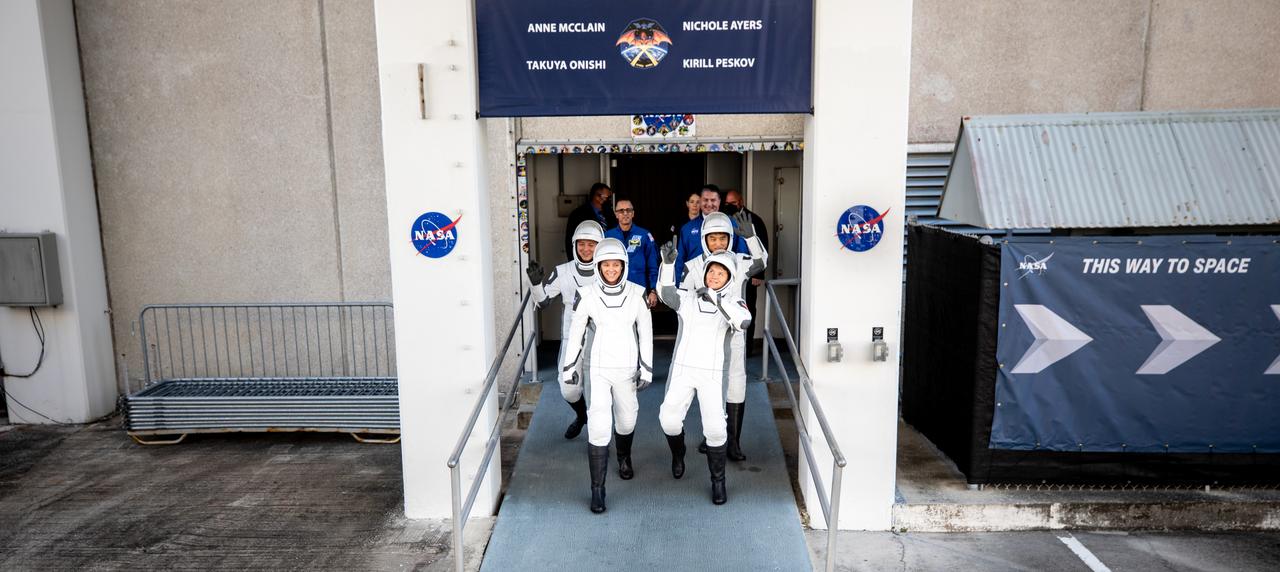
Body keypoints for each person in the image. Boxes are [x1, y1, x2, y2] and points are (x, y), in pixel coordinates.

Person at [559, 238, 654, 513]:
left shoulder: (637, 293)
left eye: (616, 265)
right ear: (598, 266)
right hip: (598, 369)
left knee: (627, 419)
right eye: (606, 265)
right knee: (599, 424)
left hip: (627, 368)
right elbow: (576, 333)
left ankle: (624, 456)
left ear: (623, 266)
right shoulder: (586, 294)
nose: (611, 269)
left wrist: (647, 368)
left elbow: (646, 333)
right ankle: (597, 490)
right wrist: (569, 367)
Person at [656, 245, 752, 505]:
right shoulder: (689, 298)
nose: (714, 276)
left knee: (715, 429)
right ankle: (678, 454)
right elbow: (665, 293)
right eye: (711, 271)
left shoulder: (733, 302)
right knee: (668, 420)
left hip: (712, 375)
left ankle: (718, 481)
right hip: (684, 370)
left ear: (729, 278)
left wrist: (717, 300)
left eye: (721, 273)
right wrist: (667, 265)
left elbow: (743, 322)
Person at [678, 211, 767, 462]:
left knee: (736, 385)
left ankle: (734, 442)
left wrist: (751, 239)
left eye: (723, 238)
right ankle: (712, 436)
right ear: (704, 239)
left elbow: (761, 263)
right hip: (706, 338)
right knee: (710, 387)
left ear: (730, 238)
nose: (718, 243)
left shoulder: (740, 260)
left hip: (735, 335)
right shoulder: (693, 266)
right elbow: (682, 303)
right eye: (713, 238)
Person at [527, 220, 604, 439]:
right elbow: (543, 303)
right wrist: (536, 285)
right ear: (574, 245)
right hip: (572, 339)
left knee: (599, 390)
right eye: (582, 244)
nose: (586, 249)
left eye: (591, 244)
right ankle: (582, 416)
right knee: (569, 390)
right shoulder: (563, 271)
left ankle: (599, 438)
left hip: (602, 339)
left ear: (599, 245)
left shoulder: (608, 269)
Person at [722, 189, 770, 355]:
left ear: (741, 202)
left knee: (748, 309)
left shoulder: (753, 219)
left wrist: (759, 274)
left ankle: (747, 348)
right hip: (728, 273)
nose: (730, 206)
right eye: (727, 203)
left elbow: (763, 246)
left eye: (733, 203)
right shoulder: (724, 218)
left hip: (750, 272)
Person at [677, 184, 746, 284]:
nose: (709, 204)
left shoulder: (732, 224)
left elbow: (742, 254)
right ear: (700, 201)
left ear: (719, 201)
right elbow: (680, 260)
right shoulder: (687, 228)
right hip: (695, 283)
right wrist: (677, 285)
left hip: (725, 282)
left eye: (713, 200)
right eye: (705, 200)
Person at [604, 198, 659, 308]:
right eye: (621, 211)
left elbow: (653, 265)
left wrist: (653, 290)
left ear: (633, 213)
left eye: (628, 210)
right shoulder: (607, 236)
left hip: (639, 289)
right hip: (614, 290)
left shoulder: (644, 235)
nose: (625, 213)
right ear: (616, 214)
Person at [564, 183, 615, 259]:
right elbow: (570, 241)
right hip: (587, 257)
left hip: (606, 257)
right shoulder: (578, 214)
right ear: (597, 197)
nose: (609, 201)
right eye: (607, 198)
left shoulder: (610, 213)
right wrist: (574, 261)